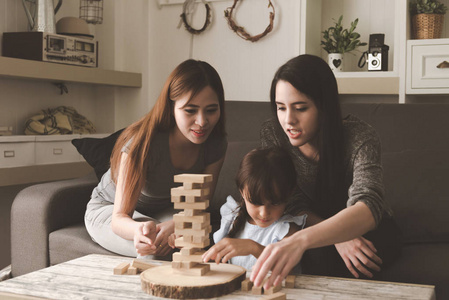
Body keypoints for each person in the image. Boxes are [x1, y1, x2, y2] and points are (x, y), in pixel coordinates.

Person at [250, 54, 401, 289]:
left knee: (373, 251)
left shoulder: (361, 137)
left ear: (324, 106)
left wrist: (332, 236)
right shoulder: (273, 134)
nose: (288, 120)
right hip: (308, 223)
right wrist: (335, 238)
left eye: (300, 108)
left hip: (360, 224)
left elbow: (368, 206)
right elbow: (289, 200)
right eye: (281, 108)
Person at [84, 59, 227, 259]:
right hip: (111, 212)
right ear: (171, 107)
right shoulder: (141, 144)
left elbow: (199, 205)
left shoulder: (215, 143)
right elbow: (119, 218)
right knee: (152, 252)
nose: (202, 122)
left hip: (164, 212)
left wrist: (178, 224)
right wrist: (139, 232)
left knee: (190, 243)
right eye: (190, 110)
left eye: (211, 110)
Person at [200, 147, 307, 271]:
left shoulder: (287, 229)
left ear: (289, 194)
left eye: (275, 203)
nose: (264, 213)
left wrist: (253, 247)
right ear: (242, 192)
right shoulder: (232, 216)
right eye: (255, 203)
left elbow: (282, 265)